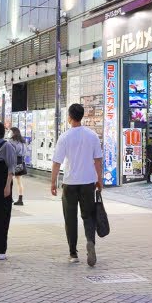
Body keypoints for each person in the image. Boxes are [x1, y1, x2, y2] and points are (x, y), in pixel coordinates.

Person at [50, 103, 104, 266]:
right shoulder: (92, 135)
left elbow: (57, 162)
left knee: (70, 218)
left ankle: (73, 253)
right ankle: (90, 242)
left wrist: (53, 182)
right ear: (82, 116)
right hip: (88, 182)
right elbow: (98, 160)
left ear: (69, 117)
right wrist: (99, 180)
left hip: (70, 183)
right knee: (88, 216)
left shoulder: (65, 137)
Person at [0, 121, 20, 260]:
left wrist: (8, 186)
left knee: (1, 215)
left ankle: (1, 249)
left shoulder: (7, 146)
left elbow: (11, 168)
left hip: (3, 183)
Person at [9, 126, 28, 205]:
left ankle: (9, 198)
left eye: (10, 132)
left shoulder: (11, 141)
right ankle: (20, 199)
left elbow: (10, 153)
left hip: (13, 162)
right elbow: (25, 153)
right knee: (19, 181)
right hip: (20, 162)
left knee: (9, 180)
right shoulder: (23, 141)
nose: (9, 133)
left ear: (13, 133)